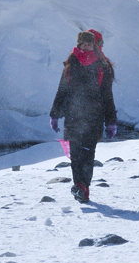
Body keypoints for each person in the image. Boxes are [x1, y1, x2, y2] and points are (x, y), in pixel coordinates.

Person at [49, 28, 117, 203]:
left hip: (93, 116)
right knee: (75, 154)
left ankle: (83, 186)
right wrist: (55, 114)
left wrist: (111, 121)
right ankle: (79, 185)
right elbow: (62, 90)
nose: (86, 47)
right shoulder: (71, 63)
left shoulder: (102, 66)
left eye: (89, 44)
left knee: (87, 154)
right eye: (83, 44)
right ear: (78, 44)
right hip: (73, 115)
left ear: (94, 45)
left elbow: (107, 96)